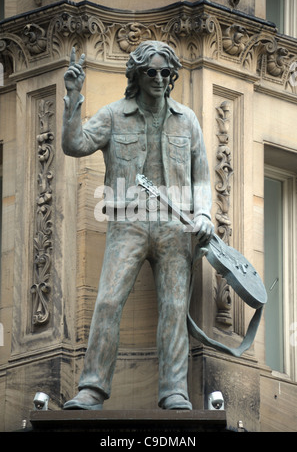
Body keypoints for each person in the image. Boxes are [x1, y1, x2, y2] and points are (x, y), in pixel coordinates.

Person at [62, 41, 214, 411]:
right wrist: (73, 98)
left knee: (175, 307)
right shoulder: (114, 115)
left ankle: (174, 390)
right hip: (127, 222)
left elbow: (202, 178)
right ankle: (92, 389)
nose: (160, 78)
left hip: (176, 227)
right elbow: (74, 144)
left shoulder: (187, 120)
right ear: (137, 75)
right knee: (109, 301)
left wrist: (205, 214)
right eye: (152, 71)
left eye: (166, 72)